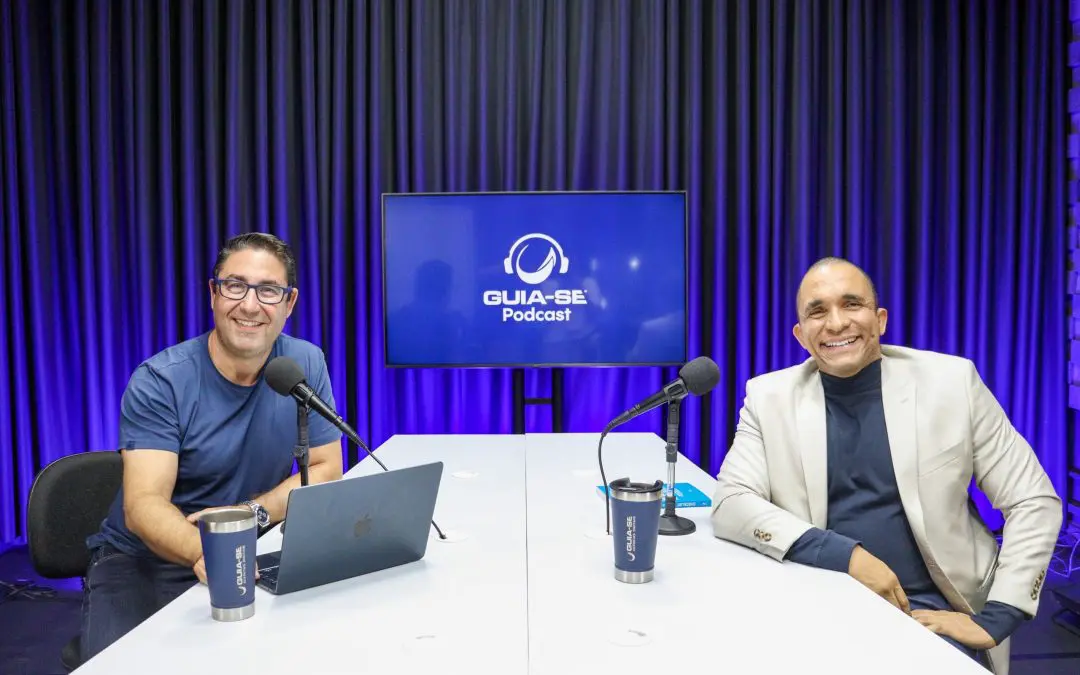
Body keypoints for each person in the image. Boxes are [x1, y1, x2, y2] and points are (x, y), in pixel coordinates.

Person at [711, 257, 1061, 674]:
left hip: (930, 612)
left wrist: (1000, 616)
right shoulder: (769, 398)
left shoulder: (952, 383)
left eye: (851, 304)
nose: (836, 323)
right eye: (818, 312)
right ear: (801, 335)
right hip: (818, 602)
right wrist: (848, 556)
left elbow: (1033, 500)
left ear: (880, 320)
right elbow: (731, 502)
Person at [80, 233, 344, 662]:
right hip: (144, 558)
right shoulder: (161, 380)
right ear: (214, 293)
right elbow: (143, 504)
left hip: (250, 545)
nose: (250, 305)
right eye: (235, 286)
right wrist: (211, 550)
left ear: (289, 302)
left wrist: (250, 515)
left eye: (268, 290)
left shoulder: (303, 363)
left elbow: (325, 467)